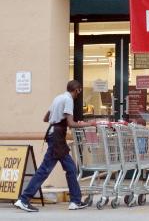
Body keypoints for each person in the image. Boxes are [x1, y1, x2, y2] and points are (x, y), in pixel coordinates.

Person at [14, 80, 96, 212]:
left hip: (52, 134)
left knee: (70, 168)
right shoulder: (68, 100)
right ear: (76, 90)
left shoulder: (58, 98)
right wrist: (89, 124)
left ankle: (75, 200)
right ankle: (24, 199)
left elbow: (46, 118)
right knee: (45, 170)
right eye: (79, 92)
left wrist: (57, 116)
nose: (78, 95)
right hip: (58, 137)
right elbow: (71, 123)